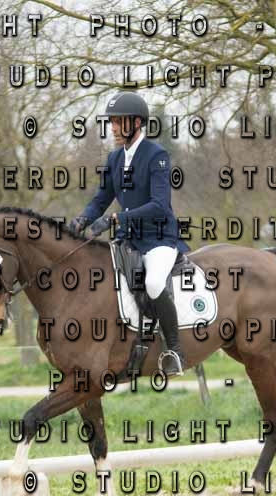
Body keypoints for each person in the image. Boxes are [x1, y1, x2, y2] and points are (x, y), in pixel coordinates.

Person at [69, 91, 191, 376]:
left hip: (158, 238)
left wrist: (117, 218)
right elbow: (100, 200)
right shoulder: (115, 158)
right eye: (111, 122)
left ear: (136, 123)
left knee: (153, 283)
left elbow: (159, 205)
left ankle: (175, 350)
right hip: (129, 240)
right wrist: (80, 221)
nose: (112, 128)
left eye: (117, 122)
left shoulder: (156, 156)